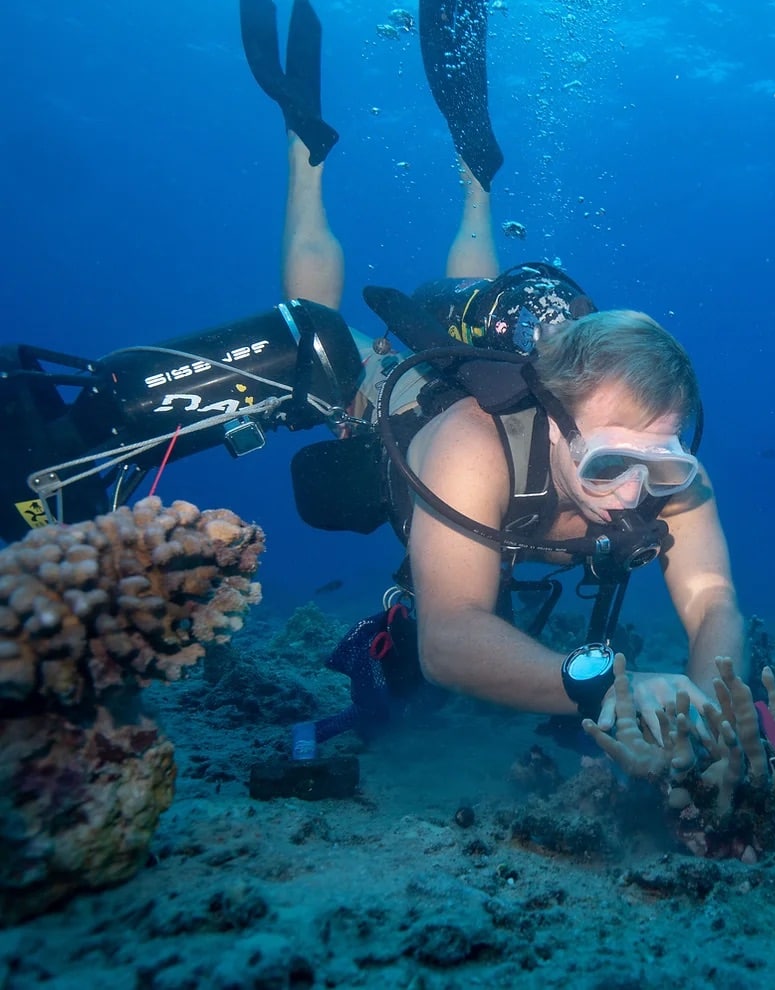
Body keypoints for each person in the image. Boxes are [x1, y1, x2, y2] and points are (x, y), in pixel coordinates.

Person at [241, 0, 746, 741]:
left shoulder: (662, 467)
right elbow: (448, 642)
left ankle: (477, 183)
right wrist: (618, 692)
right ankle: (304, 154)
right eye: (609, 463)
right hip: (395, 395)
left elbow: (713, 599)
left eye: (661, 465)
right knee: (313, 327)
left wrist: (714, 711)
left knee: (478, 288)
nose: (636, 493)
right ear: (553, 415)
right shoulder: (473, 445)